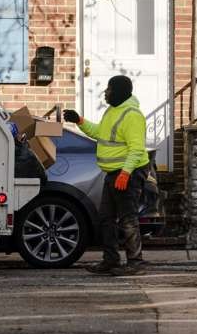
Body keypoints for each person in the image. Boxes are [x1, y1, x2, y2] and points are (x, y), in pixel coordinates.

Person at [63, 75, 150, 276]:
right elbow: (100, 133)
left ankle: (136, 262)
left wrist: (126, 173)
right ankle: (111, 260)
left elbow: (136, 149)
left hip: (129, 172)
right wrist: (80, 121)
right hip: (114, 173)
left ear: (119, 92)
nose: (106, 92)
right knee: (106, 218)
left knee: (127, 219)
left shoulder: (132, 115)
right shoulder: (112, 111)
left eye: (109, 89)